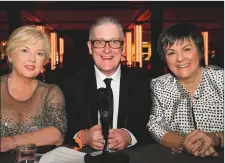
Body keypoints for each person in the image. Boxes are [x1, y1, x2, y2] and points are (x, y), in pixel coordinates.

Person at [63, 16, 153, 151]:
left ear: (123, 47)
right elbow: (63, 130)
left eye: (114, 42)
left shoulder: (144, 84)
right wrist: (84, 136)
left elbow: (152, 128)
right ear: (90, 47)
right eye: (99, 42)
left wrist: (129, 137)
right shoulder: (70, 84)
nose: (107, 50)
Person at [147, 23, 224, 157]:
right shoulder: (159, 85)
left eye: (187, 49)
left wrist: (216, 138)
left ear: (200, 52)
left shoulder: (221, 80)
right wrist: (185, 144)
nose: (180, 58)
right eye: (171, 53)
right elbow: (155, 125)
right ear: (165, 59)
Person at [0, 26, 67, 152]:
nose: (32, 59)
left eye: (39, 53)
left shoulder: (51, 92)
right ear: (10, 56)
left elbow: (56, 134)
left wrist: (9, 142)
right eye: (25, 50)